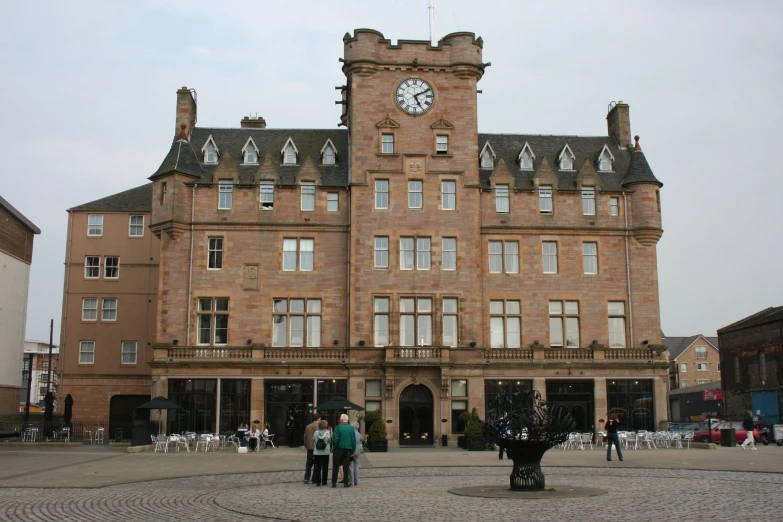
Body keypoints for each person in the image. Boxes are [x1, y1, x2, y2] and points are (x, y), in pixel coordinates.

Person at [330, 414, 356, 488]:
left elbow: (335, 439)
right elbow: (353, 440)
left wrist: (334, 448)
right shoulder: (351, 428)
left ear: (341, 420)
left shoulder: (338, 427)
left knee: (335, 466)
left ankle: (334, 483)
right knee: (346, 466)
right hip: (348, 449)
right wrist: (353, 451)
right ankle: (345, 483)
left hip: (338, 449)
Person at [312, 419, 331, 486]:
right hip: (325, 452)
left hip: (317, 452)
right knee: (325, 467)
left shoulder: (316, 433)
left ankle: (318, 481)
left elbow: (314, 439)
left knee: (317, 467)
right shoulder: (328, 433)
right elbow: (329, 441)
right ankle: (324, 481)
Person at [303, 414, 322, 483]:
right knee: (316, 464)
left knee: (308, 464)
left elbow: (305, 437)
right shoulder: (319, 427)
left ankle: (306, 477)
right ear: (318, 419)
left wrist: (306, 445)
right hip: (317, 448)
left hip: (310, 447)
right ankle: (314, 478)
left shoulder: (308, 427)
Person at [350, 421, 361, 486]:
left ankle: (351, 481)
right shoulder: (358, 433)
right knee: (356, 467)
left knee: (351, 466)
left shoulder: (352, 433)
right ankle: (356, 480)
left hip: (353, 450)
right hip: (358, 451)